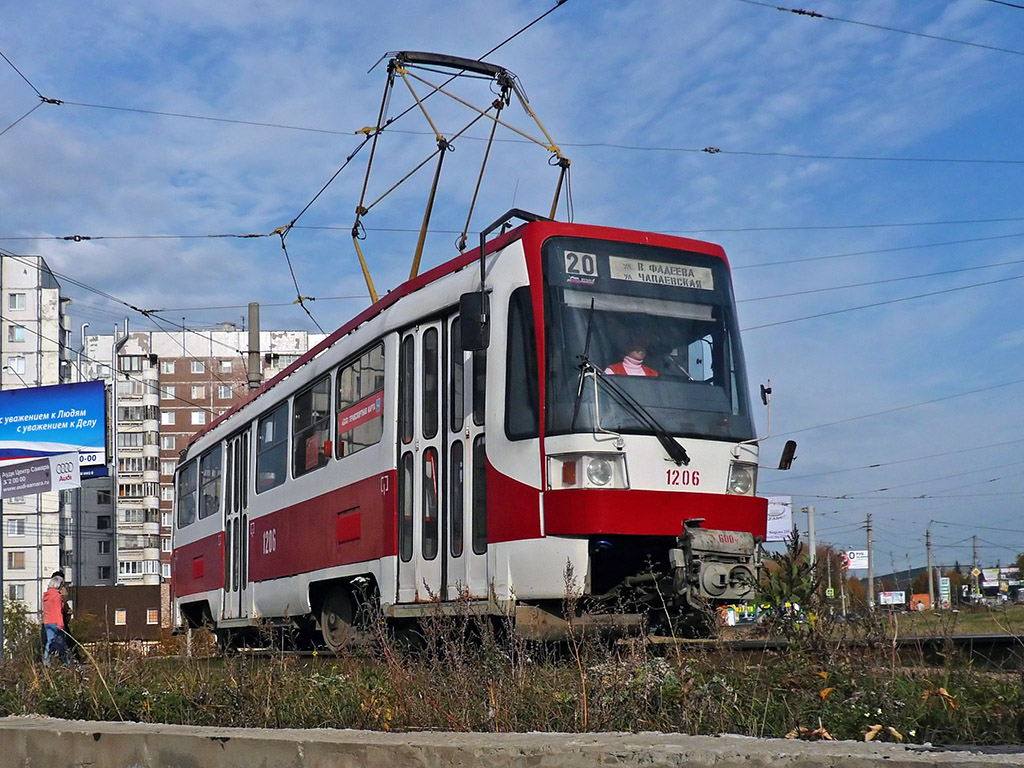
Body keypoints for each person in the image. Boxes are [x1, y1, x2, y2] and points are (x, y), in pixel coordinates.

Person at [41, 575, 66, 666]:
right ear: (59, 585)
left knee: (50, 641)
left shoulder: (46, 596)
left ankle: (46, 661)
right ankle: (66, 662)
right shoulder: (57, 596)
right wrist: (61, 624)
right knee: (61, 642)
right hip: (56, 622)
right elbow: (58, 610)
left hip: (47, 622)